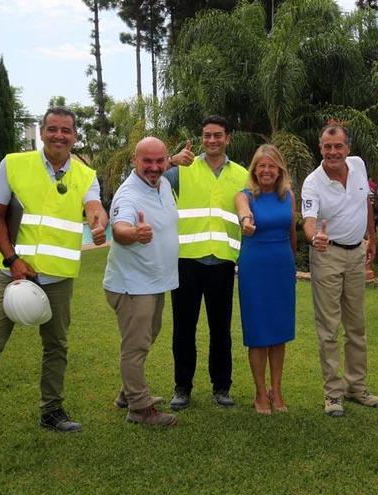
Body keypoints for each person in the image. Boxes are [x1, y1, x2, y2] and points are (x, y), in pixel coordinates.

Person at [0, 106, 108, 461]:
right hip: (11, 274)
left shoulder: (85, 174)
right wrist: (12, 259)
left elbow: (95, 207)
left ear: (75, 136)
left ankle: (52, 412)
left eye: (66, 130)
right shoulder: (13, 164)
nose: (59, 135)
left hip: (58, 279)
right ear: (42, 132)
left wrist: (98, 222)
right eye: (52, 129)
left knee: (56, 346)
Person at [165, 115, 249, 410]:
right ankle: (182, 387)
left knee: (221, 329)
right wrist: (170, 161)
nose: (211, 140)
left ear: (228, 138)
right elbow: (146, 177)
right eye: (206, 135)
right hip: (187, 261)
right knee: (183, 328)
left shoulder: (241, 174)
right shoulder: (182, 168)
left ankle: (221, 387)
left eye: (217, 135)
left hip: (223, 262)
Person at [301, 123, 378, 417]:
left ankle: (356, 388)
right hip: (328, 255)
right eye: (327, 147)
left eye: (338, 146)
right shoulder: (313, 183)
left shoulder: (358, 165)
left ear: (347, 148)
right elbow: (308, 221)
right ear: (320, 148)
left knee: (356, 326)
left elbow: (366, 203)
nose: (333, 152)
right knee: (328, 328)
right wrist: (315, 238)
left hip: (356, 253)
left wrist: (371, 238)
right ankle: (333, 394)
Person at [103, 137, 179, 427]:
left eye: (160, 160)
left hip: (153, 281)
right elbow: (120, 228)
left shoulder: (163, 183)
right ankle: (139, 408)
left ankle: (127, 393)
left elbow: (166, 168)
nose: (155, 167)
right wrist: (134, 234)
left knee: (147, 337)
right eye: (147, 161)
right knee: (135, 347)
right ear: (134, 161)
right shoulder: (128, 195)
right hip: (132, 286)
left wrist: (175, 161)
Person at [234, 144, 297, 415]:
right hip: (254, 268)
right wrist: (246, 222)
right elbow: (243, 213)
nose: (267, 170)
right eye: (262, 166)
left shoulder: (288, 196)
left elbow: (292, 232)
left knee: (279, 332)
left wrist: (292, 266)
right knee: (258, 332)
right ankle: (260, 392)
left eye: (272, 166)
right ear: (255, 170)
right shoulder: (244, 195)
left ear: (279, 169)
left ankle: (277, 389)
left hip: (281, 266)